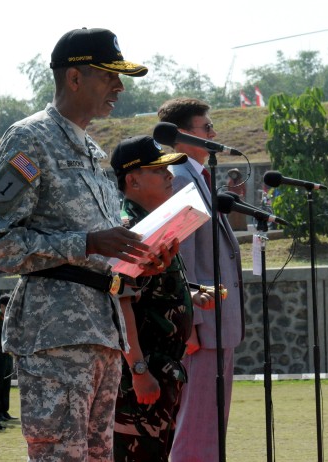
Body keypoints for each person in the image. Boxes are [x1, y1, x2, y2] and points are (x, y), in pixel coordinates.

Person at [0, 28, 172, 460]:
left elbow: (102, 246)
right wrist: (85, 242)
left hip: (101, 330)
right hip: (55, 335)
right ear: (75, 78)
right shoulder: (29, 142)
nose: (119, 87)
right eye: (109, 76)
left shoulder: (93, 152)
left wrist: (143, 259)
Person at [109, 135, 212, 461]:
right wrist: (138, 371)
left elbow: (148, 289)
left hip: (163, 367)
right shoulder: (128, 229)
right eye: (158, 170)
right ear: (133, 179)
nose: (169, 176)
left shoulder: (153, 223)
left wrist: (190, 295)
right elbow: (119, 302)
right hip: (141, 375)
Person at [157, 97, 245, 462]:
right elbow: (182, 258)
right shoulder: (179, 179)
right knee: (196, 428)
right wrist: (188, 325)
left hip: (216, 323)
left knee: (209, 426)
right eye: (206, 128)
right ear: (181, 135)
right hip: (202, 326)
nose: (214, 134)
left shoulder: (196, 176)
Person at [0, 294, 15, 422]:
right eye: (8, 306)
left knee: (6, 385)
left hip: (8, 357)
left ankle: (5, 410)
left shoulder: (8, 320)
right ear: (1, 306)